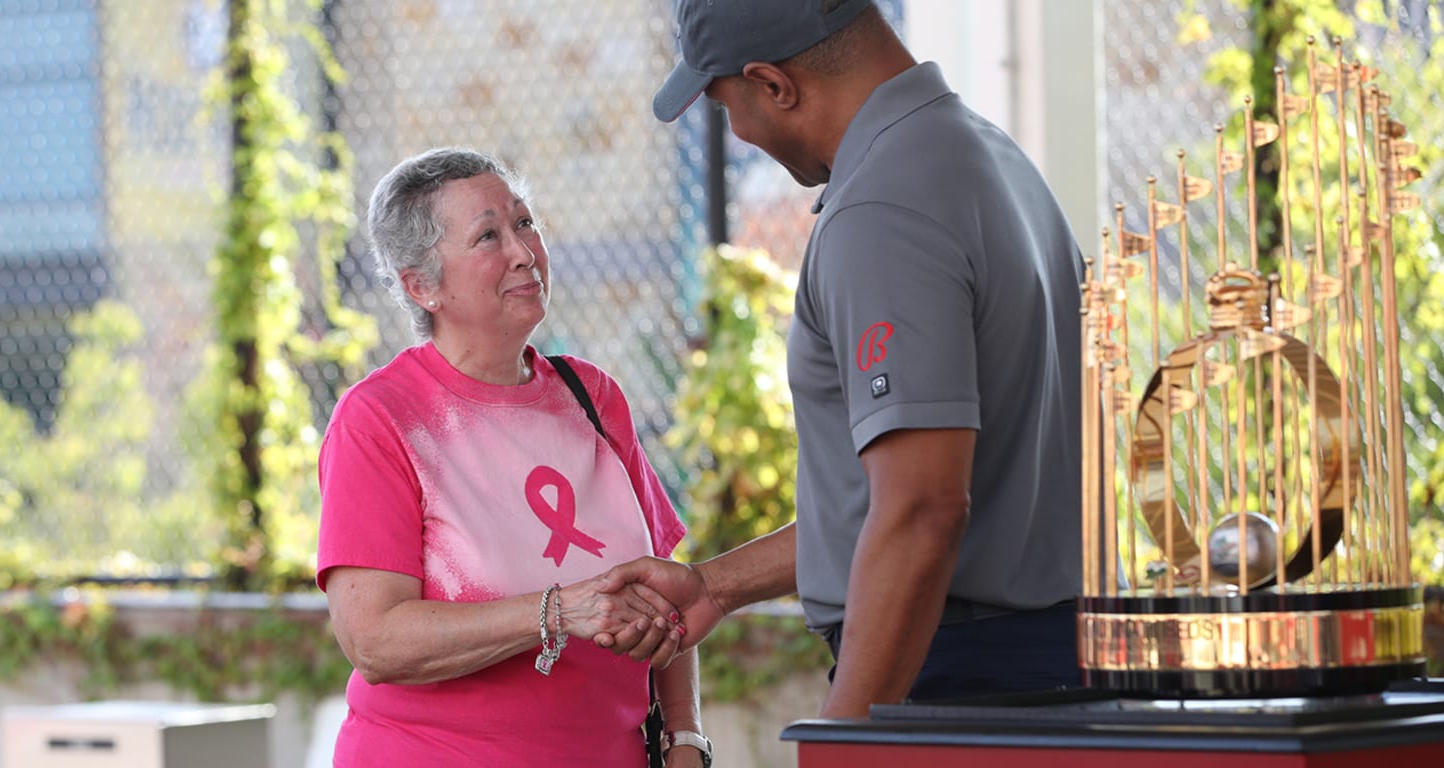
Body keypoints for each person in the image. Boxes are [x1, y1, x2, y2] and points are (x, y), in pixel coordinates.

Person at [598, 0, 1085, 717]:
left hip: (952, 674)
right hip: (1036, 659)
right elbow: (902, 488)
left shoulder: (882, 209)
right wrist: (716, 586)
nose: (736, 131)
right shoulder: (987, 155)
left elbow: (923, 508)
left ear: (774, 84)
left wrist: (847, 738)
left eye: (725, 103)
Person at [317, 147, 710, 767]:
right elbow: (375, 640)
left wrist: (684, 735)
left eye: (525, 223)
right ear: (423, 286)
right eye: (487, 236)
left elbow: (666, 583)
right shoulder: (382, 418)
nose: (525, 253)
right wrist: (556, 611)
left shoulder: (593, 396)